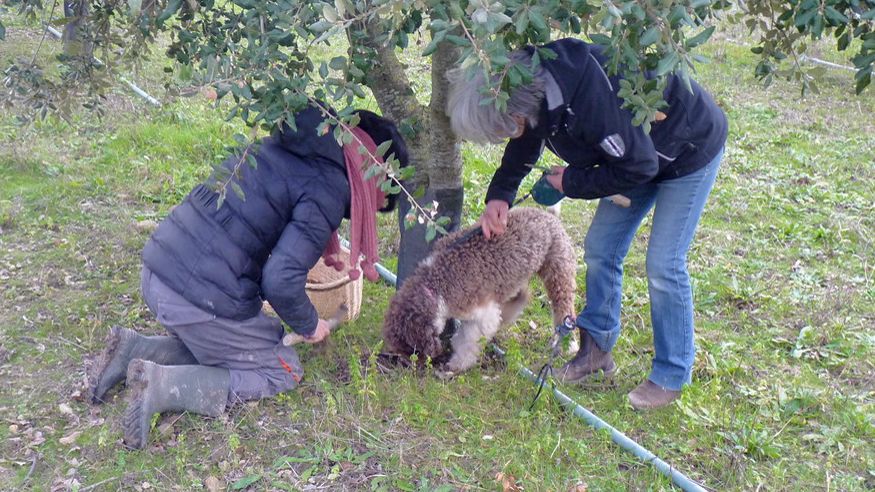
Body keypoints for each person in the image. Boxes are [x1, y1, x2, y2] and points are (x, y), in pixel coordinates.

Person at [87, 105, 409, 448]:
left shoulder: (286, 142)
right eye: (375, 205)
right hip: (196, 300)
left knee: (250, 342)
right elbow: (280, 280)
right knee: (281, 369)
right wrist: (310, 324)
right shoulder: (328, 187)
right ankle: (162, 386)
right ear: (372, 178)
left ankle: (134, 348)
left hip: (158, 272)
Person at [447, 38, 727, 409]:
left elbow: (639, 165)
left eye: (505, 130)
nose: (511, 134)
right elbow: (529, 134)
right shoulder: (529, 88)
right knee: (601, 248)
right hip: (633, 154)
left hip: (685, 150)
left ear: (515, 114)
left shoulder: (591, 99)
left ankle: (671, 375)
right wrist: (500, 194)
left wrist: (573, 183)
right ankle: (596, 352)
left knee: (663, 263)